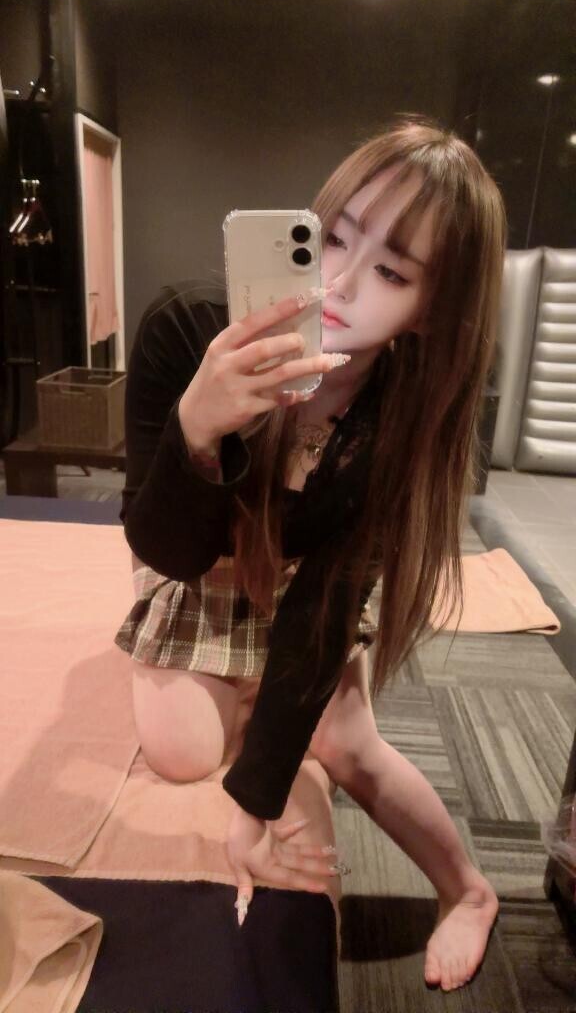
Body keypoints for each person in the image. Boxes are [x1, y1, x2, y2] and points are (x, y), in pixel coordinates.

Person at [114, 114, 506, 993]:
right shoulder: (187, 329)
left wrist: (257, 802)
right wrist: (198, 430)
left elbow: (325, 600)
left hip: (309, 571)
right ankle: (252, 689)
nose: (339, 281)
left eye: (392, 272)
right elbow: (164, 546)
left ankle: (471, 890)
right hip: (202, 548)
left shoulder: (403, 415)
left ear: (430, 311)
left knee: (348, 744)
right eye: (332, 237)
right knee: (179, 750)